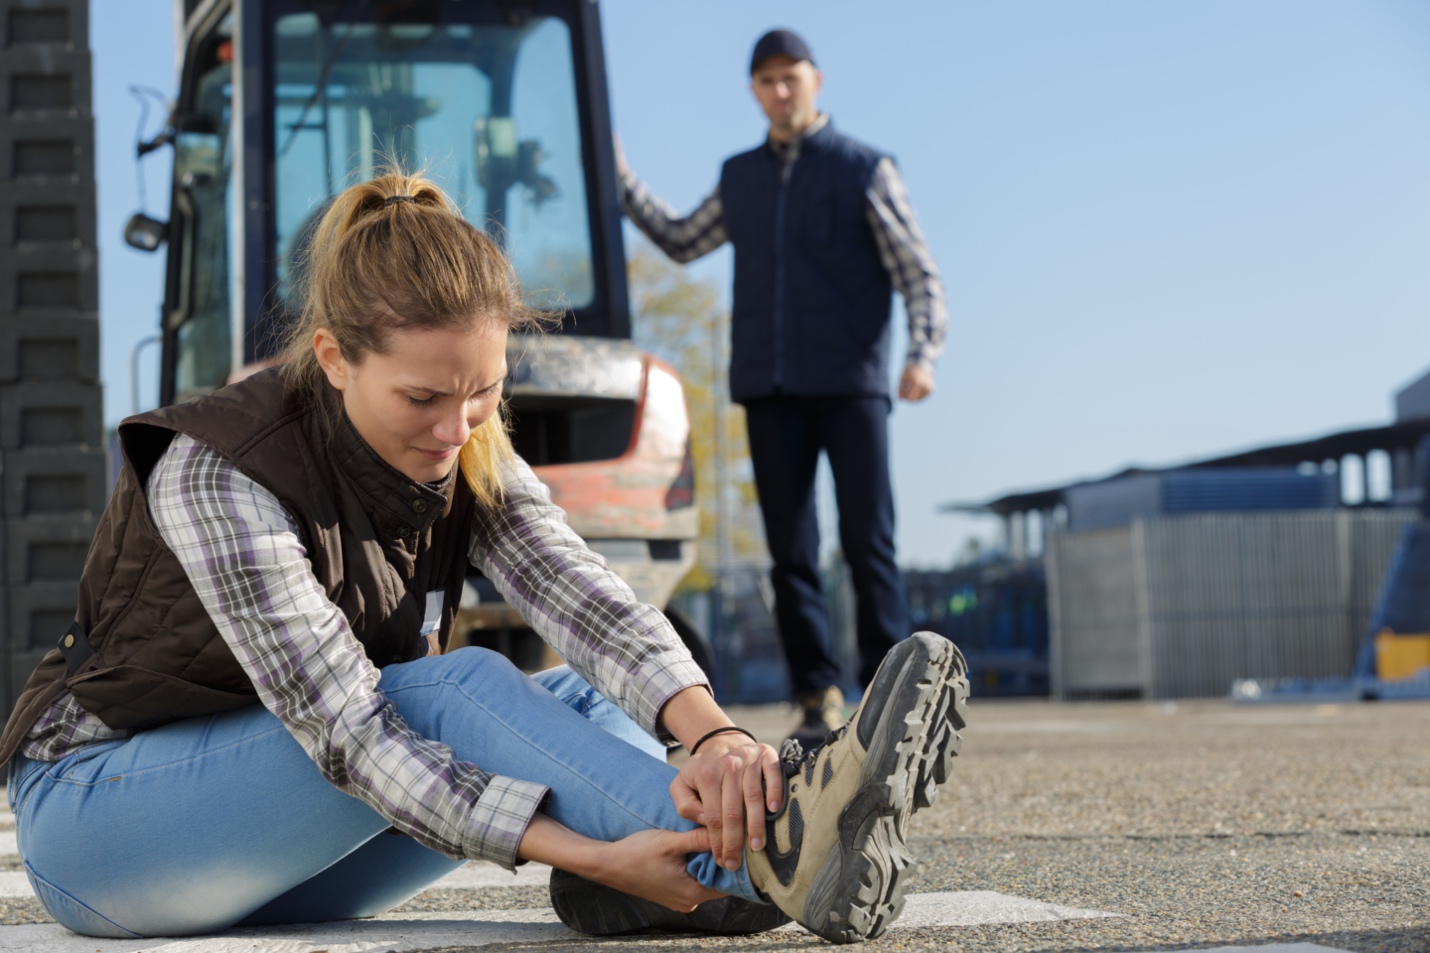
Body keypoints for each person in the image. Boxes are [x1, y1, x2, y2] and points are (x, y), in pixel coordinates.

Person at [0, 171, 968, 944]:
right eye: (422, 397)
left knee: (578, 702)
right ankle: (763, 852)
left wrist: (712, 736)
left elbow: (582, 596)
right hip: (102, 829)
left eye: (482, 392)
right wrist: (579, 850)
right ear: (335, 357)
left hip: (276, 841)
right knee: (443, 689)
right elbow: (354, 732)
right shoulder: (218, 467)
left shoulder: (464, 444)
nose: (454, 424)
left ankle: (689, 866)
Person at [618, 28, 949, 746]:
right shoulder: (740, 177)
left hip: (852, 383)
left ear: (816, 81)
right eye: (765, 80)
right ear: (754, 91)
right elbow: (681, 239)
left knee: (869, 544)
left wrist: (923, 351)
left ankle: (895, 693)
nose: (779, 90)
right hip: (768, 387)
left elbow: (917, 272)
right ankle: (815, 695)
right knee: (790, 552)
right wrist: (618, 178)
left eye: (790, 77)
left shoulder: (865, 168)